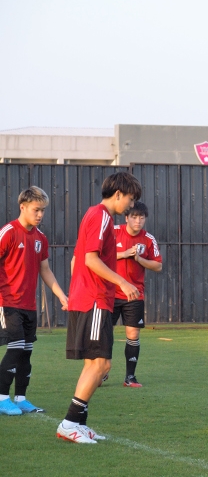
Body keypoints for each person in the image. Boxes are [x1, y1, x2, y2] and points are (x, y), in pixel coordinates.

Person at [56, 172, 141, 444]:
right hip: (95, 299)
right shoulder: (102, 216)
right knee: (101, 363)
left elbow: (77, 258)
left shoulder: (96, 216)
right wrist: (122, 282)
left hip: (91, 297)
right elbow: (89, 259)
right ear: (118, 194)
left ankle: (79, 423)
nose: (130, 205)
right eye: (130, 198)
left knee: (98, 364)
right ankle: (69, 422)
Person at [0, 186, 68, 416]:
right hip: (8, 302)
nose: (40, 215)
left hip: (28, 304)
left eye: (43, 211)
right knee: (16, 346)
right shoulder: (8, 232)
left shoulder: (41, 238)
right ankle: (1, 398)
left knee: (26, 350)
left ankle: (20, 399)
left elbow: (45, 270)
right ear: (23, 207)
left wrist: (61, 295)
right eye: (36, 210)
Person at [110, 201, 162, 388]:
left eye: (141, 217)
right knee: (105, 334)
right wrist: (123, 254)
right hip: (110, 292)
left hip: (134, 294)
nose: (138, 221)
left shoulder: (148, 239)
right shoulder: (113, 231)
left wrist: (139, 259)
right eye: (134, 217)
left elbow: (158, 265)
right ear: (126, 218)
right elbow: (97, 256)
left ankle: (130, 377)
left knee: (132, 334)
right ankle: (101, 372)